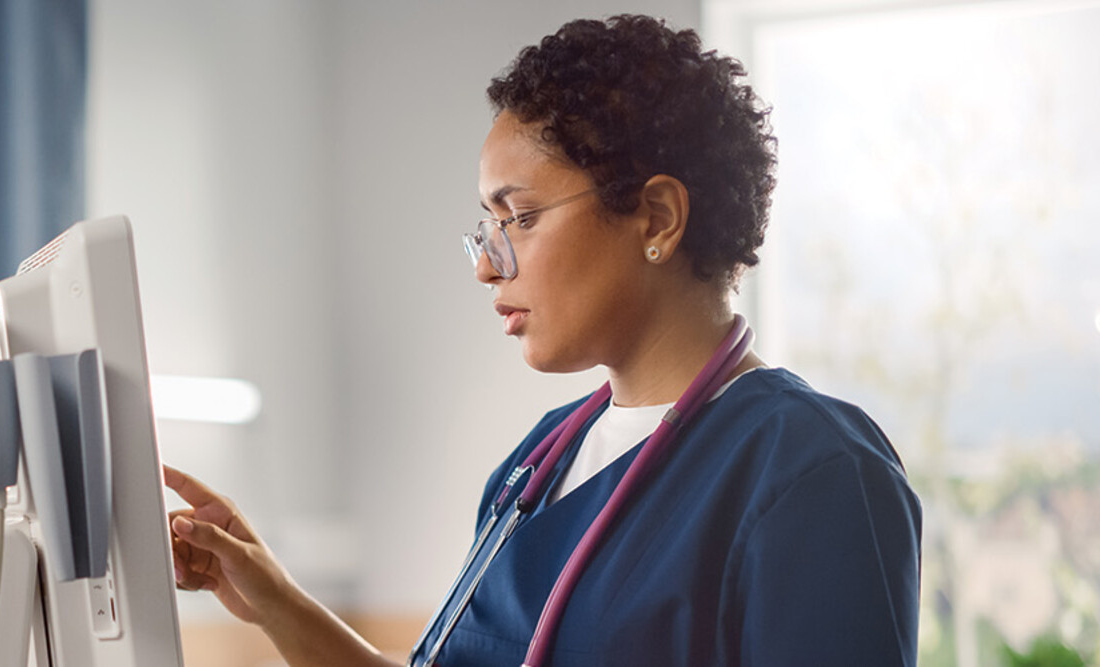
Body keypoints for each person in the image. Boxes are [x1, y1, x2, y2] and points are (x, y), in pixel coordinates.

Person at [163, 14, 921, 667]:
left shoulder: (813, 469)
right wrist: (273, 600)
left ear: (656, 218)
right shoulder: (534, 462)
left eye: (519, 217)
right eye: (486, 228)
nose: (489, 265)